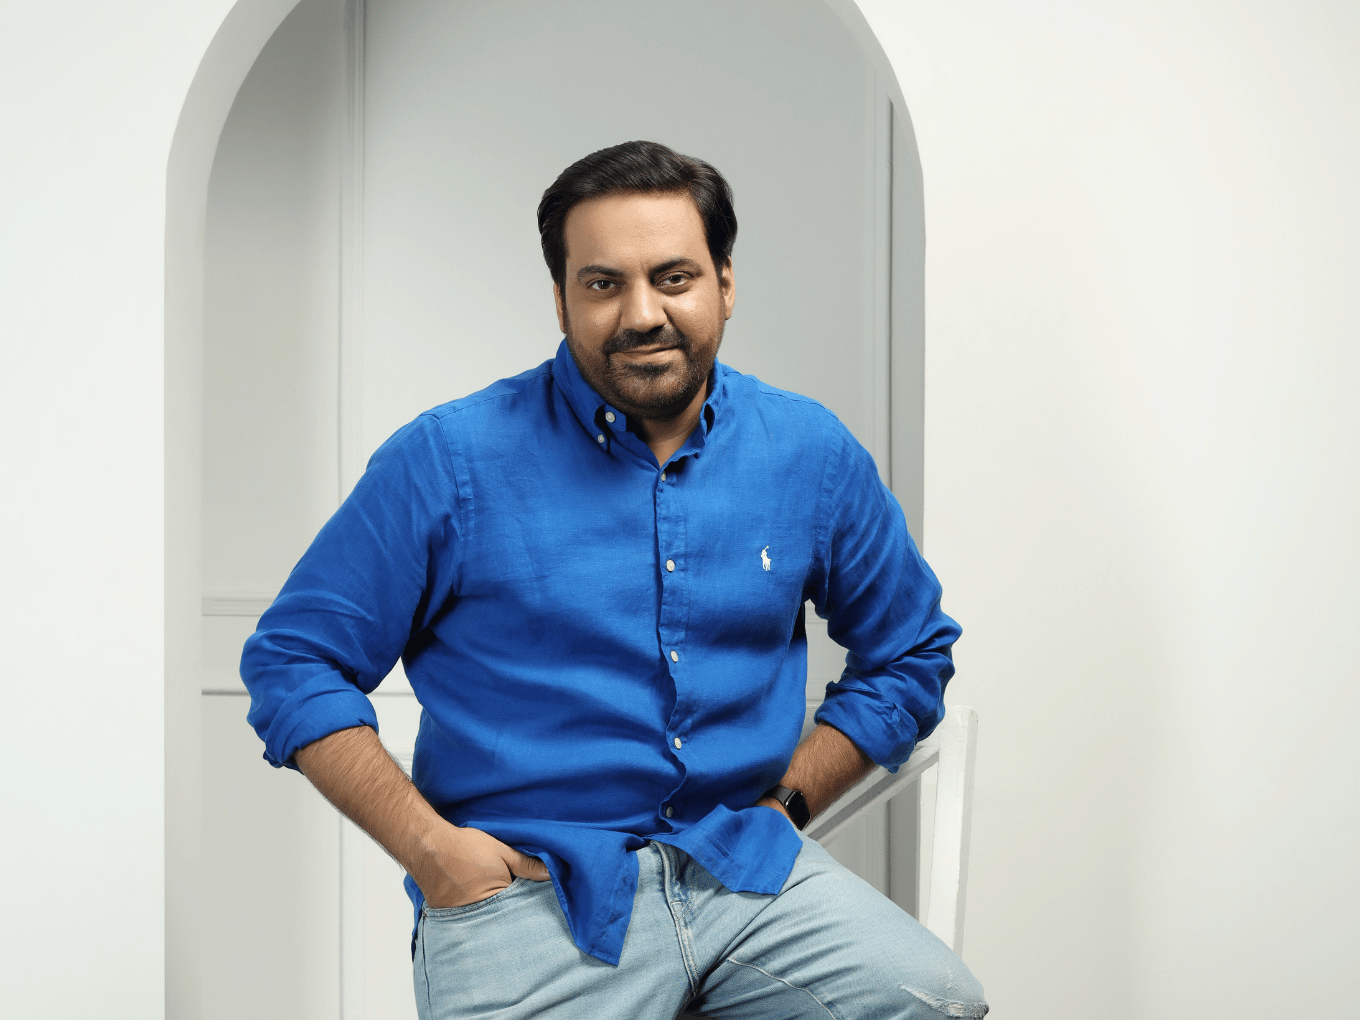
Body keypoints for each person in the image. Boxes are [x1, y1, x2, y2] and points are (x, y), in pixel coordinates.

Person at [241, 140, 988, 1020]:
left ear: (724, 284)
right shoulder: (447, 460)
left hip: (742, 875)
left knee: (934, 1002)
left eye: (674, 278)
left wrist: (788, 802)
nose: (642, 313)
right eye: (603, 283)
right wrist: (432, 851)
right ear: (561, 299)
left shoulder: (808, 453)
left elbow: (910, 651)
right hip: (529, 894)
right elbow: (294, 661)